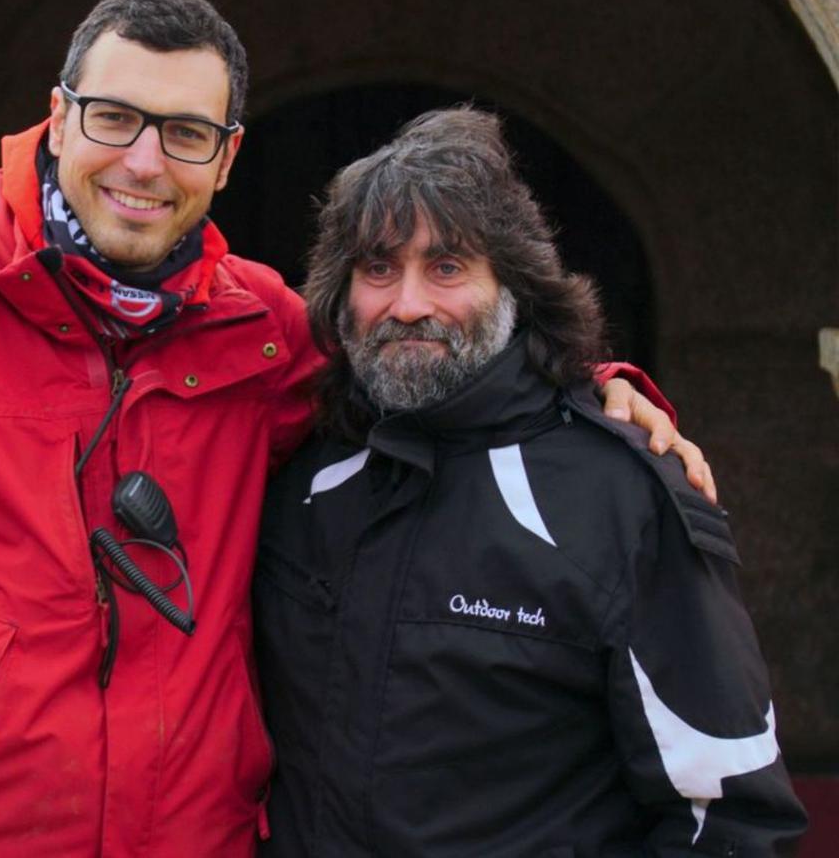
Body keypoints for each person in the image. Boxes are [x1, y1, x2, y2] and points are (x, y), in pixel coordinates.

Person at [0, 0, 700, 857]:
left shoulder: (262, 326)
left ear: (225, 160)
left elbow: (425, 362)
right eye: (114, 118)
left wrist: (596, 385)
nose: (145, 160)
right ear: (57, 121)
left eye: (185, 133)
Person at [253, 108, 806, 857]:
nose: (408, 303)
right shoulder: (302, 474)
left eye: (447, 267)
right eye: (378, 268)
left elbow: (731, 817)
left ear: (513, 285)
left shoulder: (619, 495)